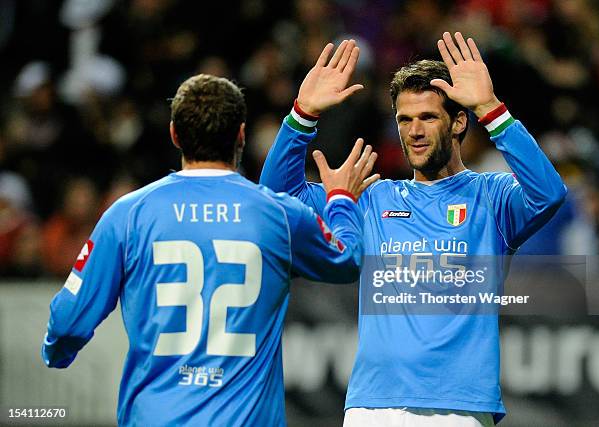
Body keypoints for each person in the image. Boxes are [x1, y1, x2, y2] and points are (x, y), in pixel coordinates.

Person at [260, 33, 567, 426]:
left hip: (458, 409)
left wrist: (491, 108)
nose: (414, 131)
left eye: (427, 117)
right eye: (404, 119)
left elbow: (549, 194)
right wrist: (302, 116)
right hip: (372, 406)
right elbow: (275, 198)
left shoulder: (491, 198)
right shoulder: (371, 197)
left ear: (458, 122)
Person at [41, 70, 379, 426]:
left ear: (175, 135)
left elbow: (66, 324)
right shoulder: (278, 214)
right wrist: (341, 199)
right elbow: (345, 259)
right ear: (241, 135)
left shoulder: (128, 214)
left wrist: (57, 353)